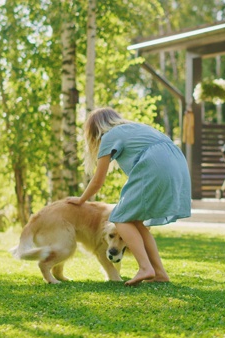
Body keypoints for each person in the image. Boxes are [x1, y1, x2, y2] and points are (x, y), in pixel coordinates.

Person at [67, 107, 191, 286]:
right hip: (177, 164)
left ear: (95, 130)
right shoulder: (136, 128)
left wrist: (81, 200)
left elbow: (98, 180)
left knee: (120, 218)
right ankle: (159, 273)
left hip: (154, 166)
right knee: (137, 222)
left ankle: (145, 268)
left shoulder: (109, 136)